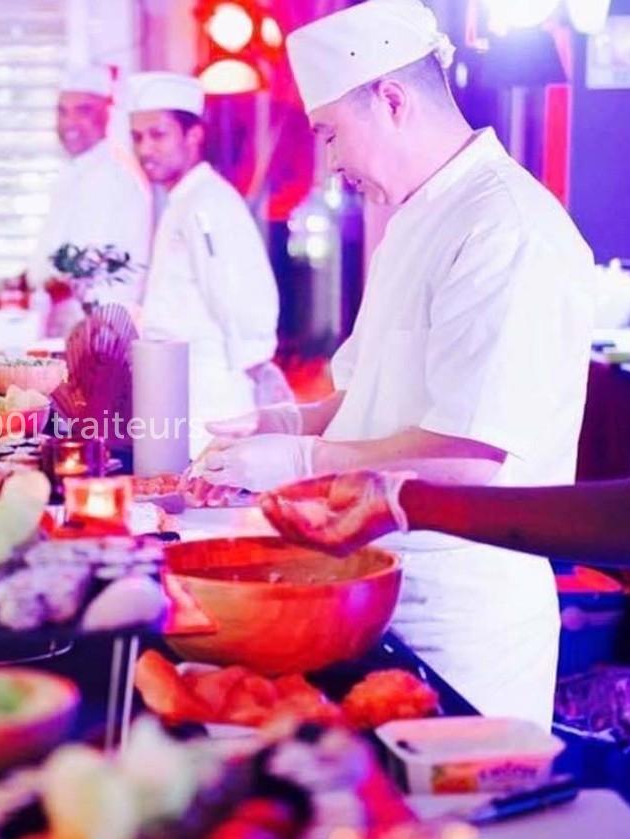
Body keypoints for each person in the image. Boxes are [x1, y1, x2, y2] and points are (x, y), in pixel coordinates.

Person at [188, 0, 597, 727]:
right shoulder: (416, 216)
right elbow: (366, 395)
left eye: (331, 136)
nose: (332, 163)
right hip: (375, 583)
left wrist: (301, 458)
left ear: (393, 100)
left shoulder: (507, 229)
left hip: (460, 611)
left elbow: (470, 457)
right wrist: (280, 420)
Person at [262, 298, 630, 839]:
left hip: (472, 615)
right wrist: (405, 502)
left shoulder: (513, 230)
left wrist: (340, 471)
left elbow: (478, 448)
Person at [126, 71, 287, 456]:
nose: (145, 148)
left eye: (158, 134)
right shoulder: (181, 201)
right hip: (174, 389)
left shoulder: (209, 203)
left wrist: (251, 370)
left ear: (193, 136)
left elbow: (245, 304)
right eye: (137, 137)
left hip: (211, 398)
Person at [26, 65, 152, 314]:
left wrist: (28, 293)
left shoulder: (113, 177)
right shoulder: (76, 173)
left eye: (83, 111)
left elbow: (81, 270)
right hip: (71, 326)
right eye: (62, 112)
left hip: (100, 331)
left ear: (107, 114)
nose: (69, 123)